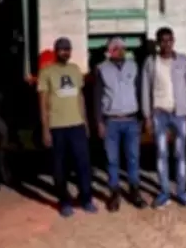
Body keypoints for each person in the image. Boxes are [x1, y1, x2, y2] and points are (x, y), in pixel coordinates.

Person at [38, 37, 97, 217]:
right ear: (56, 51)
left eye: (68, 49)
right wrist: (45, 129)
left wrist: (85, 122)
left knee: (83, 164)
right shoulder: (47, 72)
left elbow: (80, 97)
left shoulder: (75, 70)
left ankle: (86, 199)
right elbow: (43, 103)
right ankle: (64, 202)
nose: (65, 52)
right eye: (62, 49)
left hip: (77, 125)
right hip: (57, 127)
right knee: (60, 167)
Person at [141, 27, 186, 208]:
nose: (167, 44)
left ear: (174, 41)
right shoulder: (151, 62)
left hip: (179, 114)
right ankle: (164, 192)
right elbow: (145, 89)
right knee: (161, 153)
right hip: (159, 113)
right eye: (163, 40)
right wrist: (147, 116)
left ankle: (182, 192)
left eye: (169, 40)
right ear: (158, 43)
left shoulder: (184, 61)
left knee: (180, 154)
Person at [94, 37, 147, 211]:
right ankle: (114, 193)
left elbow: (140, 92)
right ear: (109, 51)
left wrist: (142, 117)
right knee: (112, 160)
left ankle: (135, 191)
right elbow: (97, 97)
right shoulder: (101, 69)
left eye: (122, 47)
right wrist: (99, 122)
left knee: (133, 158)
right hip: (111, 122)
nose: (119, 50)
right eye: (115, 48)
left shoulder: (133, 66)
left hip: (131, 120)